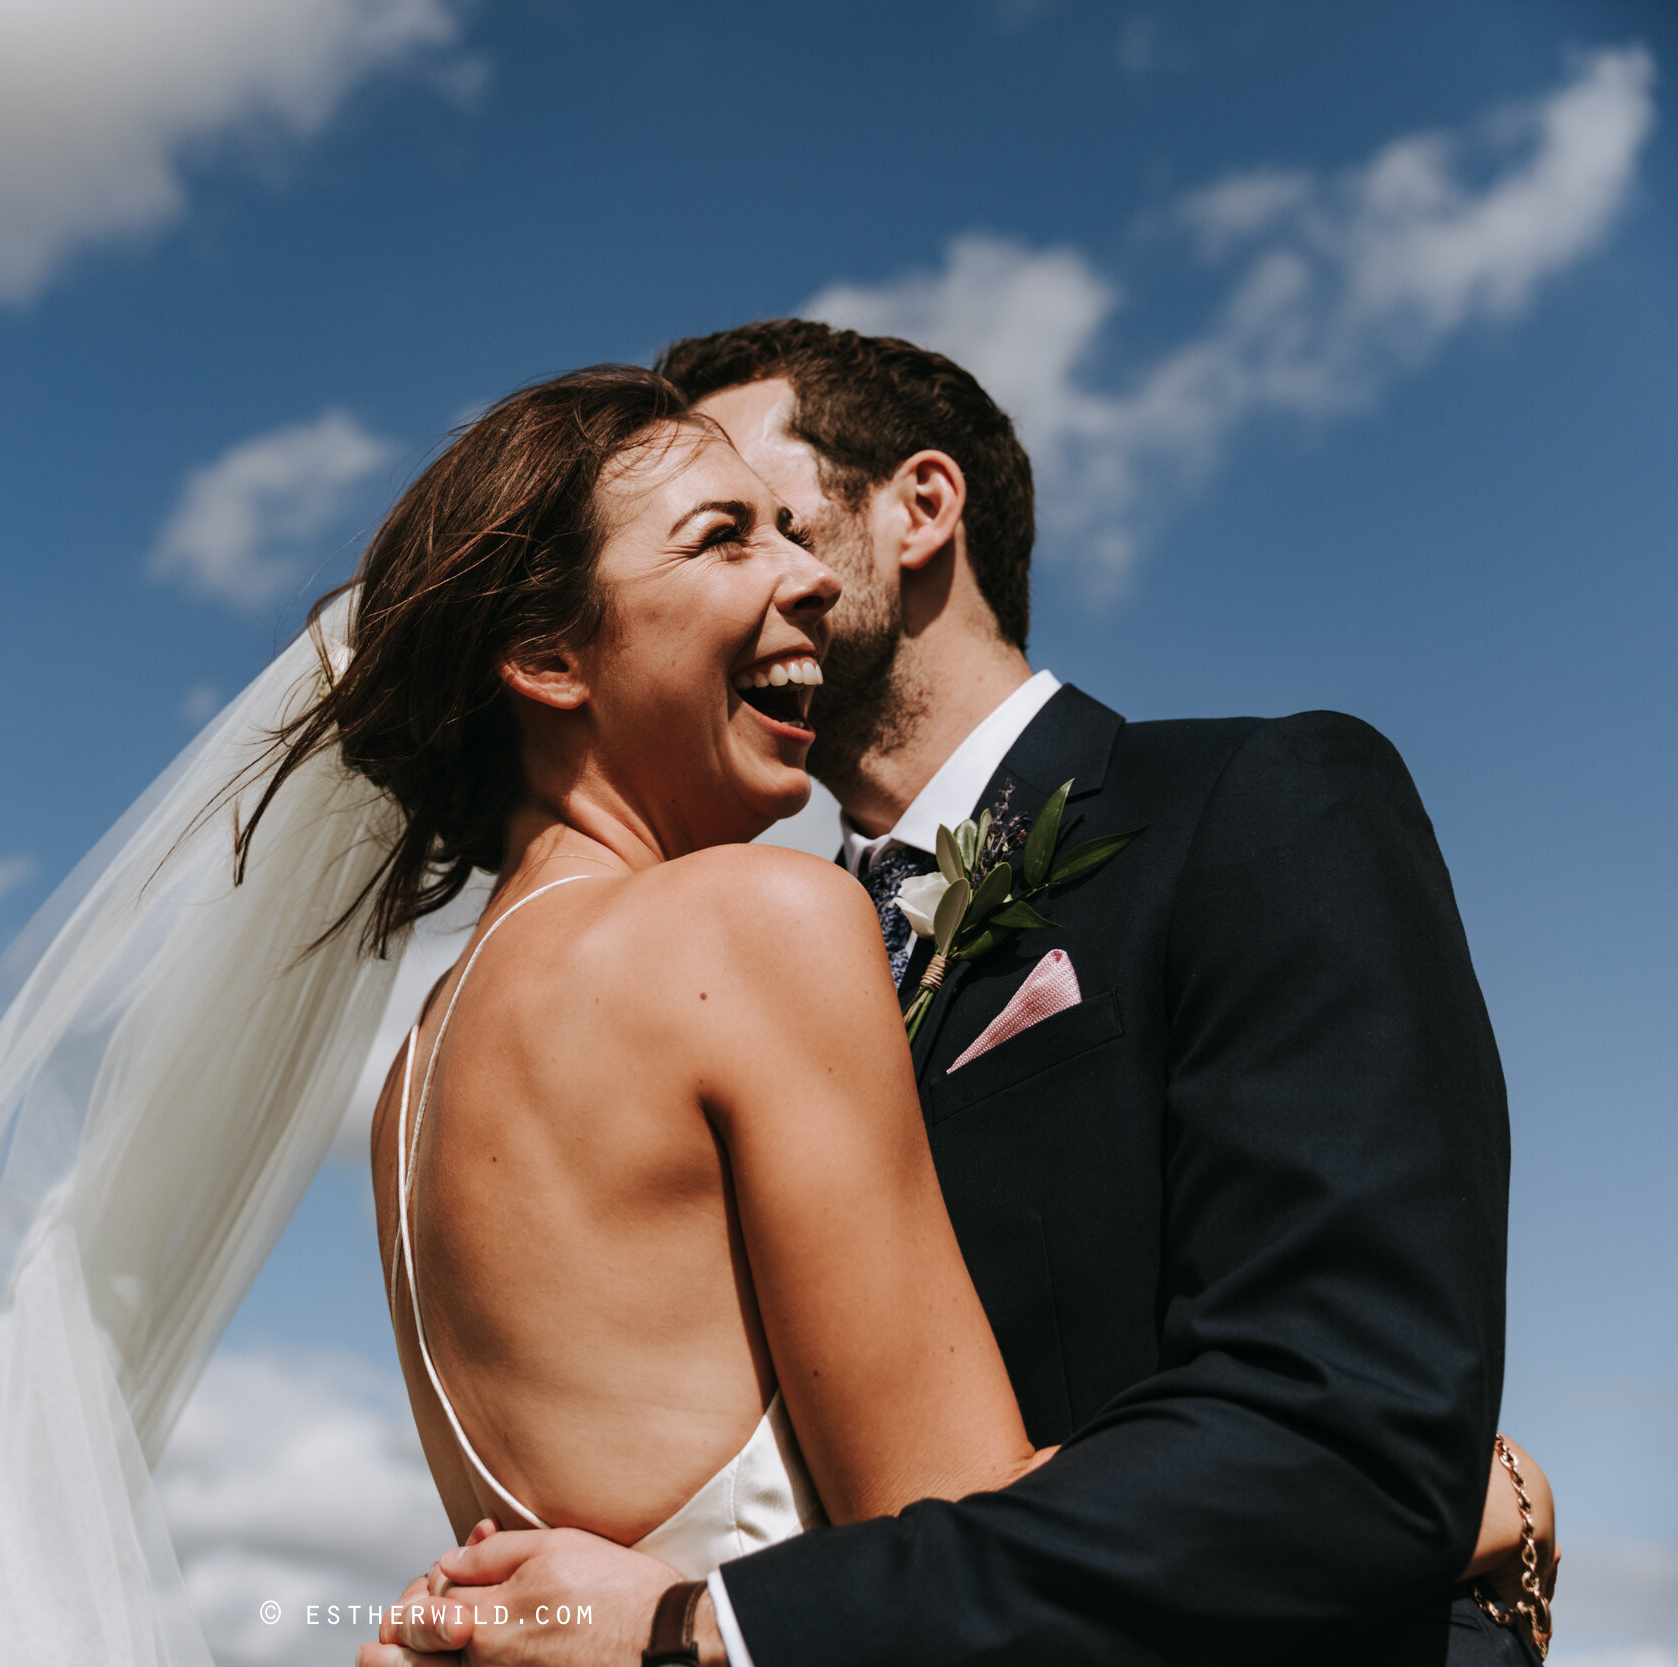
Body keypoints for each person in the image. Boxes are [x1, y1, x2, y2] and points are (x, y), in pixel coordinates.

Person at [365, 322, 1550, 1667]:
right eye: (726, 537)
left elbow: (1345, 1427)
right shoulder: (745, 934)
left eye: (787, 522)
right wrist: (1484, 1501)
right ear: (552, 652)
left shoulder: (1260, 805)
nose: (795, 580)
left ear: (924, 507)